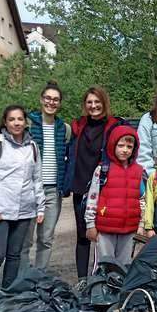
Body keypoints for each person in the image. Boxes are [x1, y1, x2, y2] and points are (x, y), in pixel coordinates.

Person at [0, 105, 44, 294]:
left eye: (20, 119)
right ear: (5, 122)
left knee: (14, 256)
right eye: (12, 119)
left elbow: (37, 178)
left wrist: (41, 207)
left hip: (24, 210)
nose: (16, 123)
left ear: (25, 121)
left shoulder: (33, 146)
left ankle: (7, 296)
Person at [64, 86, 123, 278]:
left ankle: (103, 280)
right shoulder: (78, 125)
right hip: (81, 187)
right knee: (83, 236)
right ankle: (82, 280)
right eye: (89, 102)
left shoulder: (115, 125)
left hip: (105, 188)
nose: (93, 106)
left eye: (97, 102)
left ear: (104, 103)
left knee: (104, 236)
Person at [19, 81, 69, 276]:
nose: (51, 102)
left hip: (52, 191)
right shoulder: (28, 123)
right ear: (41, 99)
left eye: (56, 99)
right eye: (48, 98)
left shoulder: (63, 128)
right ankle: (22, 278)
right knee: (25, 241)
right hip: (29, 189)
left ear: (60, 103)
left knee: (46, 238)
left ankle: (38, 277)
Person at [84, 126, 144, 267]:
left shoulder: (139, 171)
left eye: (129, 146)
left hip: (129, 229)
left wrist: (141, 224)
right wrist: (90, 224)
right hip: (105, 229)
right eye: (121, 145)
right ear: (112, 145)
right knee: (104, 267)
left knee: (123, 267)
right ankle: (100, 289)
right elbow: (92, 199)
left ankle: (119, 289)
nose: (125, 150)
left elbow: (142, 199)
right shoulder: (103, 169)